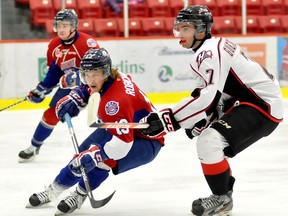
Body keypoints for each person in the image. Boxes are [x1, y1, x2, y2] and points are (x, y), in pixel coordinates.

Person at [139, 5, 284, 216]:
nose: (180, 32)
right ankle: (223, 194)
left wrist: (168, 119)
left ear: (200, 30)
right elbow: (215, 94)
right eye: (179, 27)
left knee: (209, 141)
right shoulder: (212, 47)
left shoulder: (208, 52)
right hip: (250, 101)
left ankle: (222, 198)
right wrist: (200, 119)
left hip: (261, 105)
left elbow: (207, 96)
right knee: (209, 139)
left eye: (186, 28)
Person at [26, 48, 164, 215]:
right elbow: (86, 85)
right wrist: (75, 97)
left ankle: (79, 195)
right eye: (87, 74)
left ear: (105, 72)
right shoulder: (111, 77)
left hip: (147, 141)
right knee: (82, 154)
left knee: (99, 161)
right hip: (121, 126)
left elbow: (122, 146)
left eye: (95, 74)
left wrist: (97, 155)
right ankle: (53, 191)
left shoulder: (115, 102)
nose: (90, 79)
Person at [18, 9, 100, 162]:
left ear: (73, 26)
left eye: (65, 25)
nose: (60, 29)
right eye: (58, 25)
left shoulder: (87, 43)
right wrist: (41, 89)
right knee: (50, 114)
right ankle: (34, 146)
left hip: (94, 86)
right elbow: (55, 70)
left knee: (104, 112)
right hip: (69, 86)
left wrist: (78, 77)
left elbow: (100, 69)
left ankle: (113, 143)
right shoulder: (54, 45)